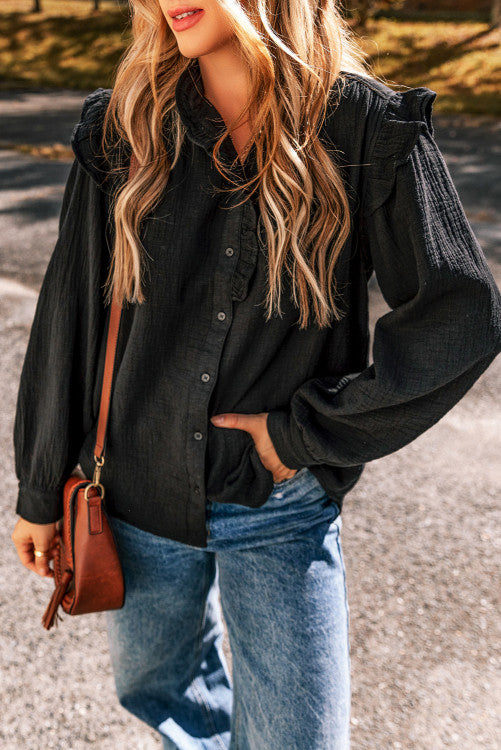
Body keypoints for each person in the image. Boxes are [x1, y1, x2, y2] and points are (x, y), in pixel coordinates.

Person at [10, 0, 501, 747]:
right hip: (133, 494)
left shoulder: (362, 129)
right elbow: (70, 313)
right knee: (154, 687)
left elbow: (459, 315)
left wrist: (302, 436)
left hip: (277, 501)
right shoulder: (126, 124)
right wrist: (41, 489)